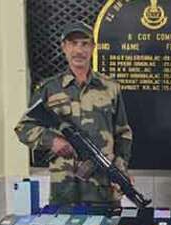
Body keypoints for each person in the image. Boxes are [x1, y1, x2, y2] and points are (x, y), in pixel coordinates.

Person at [15, 22, 133, 206]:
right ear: (64, 47)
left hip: (104, 190)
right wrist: (52, 141)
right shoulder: (49, 88)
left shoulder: (111, 88)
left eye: (85, 44)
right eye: (73, 43)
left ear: (93, 47)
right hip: (64, 189)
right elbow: (23, 127)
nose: (79, 50)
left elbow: (123, 133)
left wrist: (120, 170)